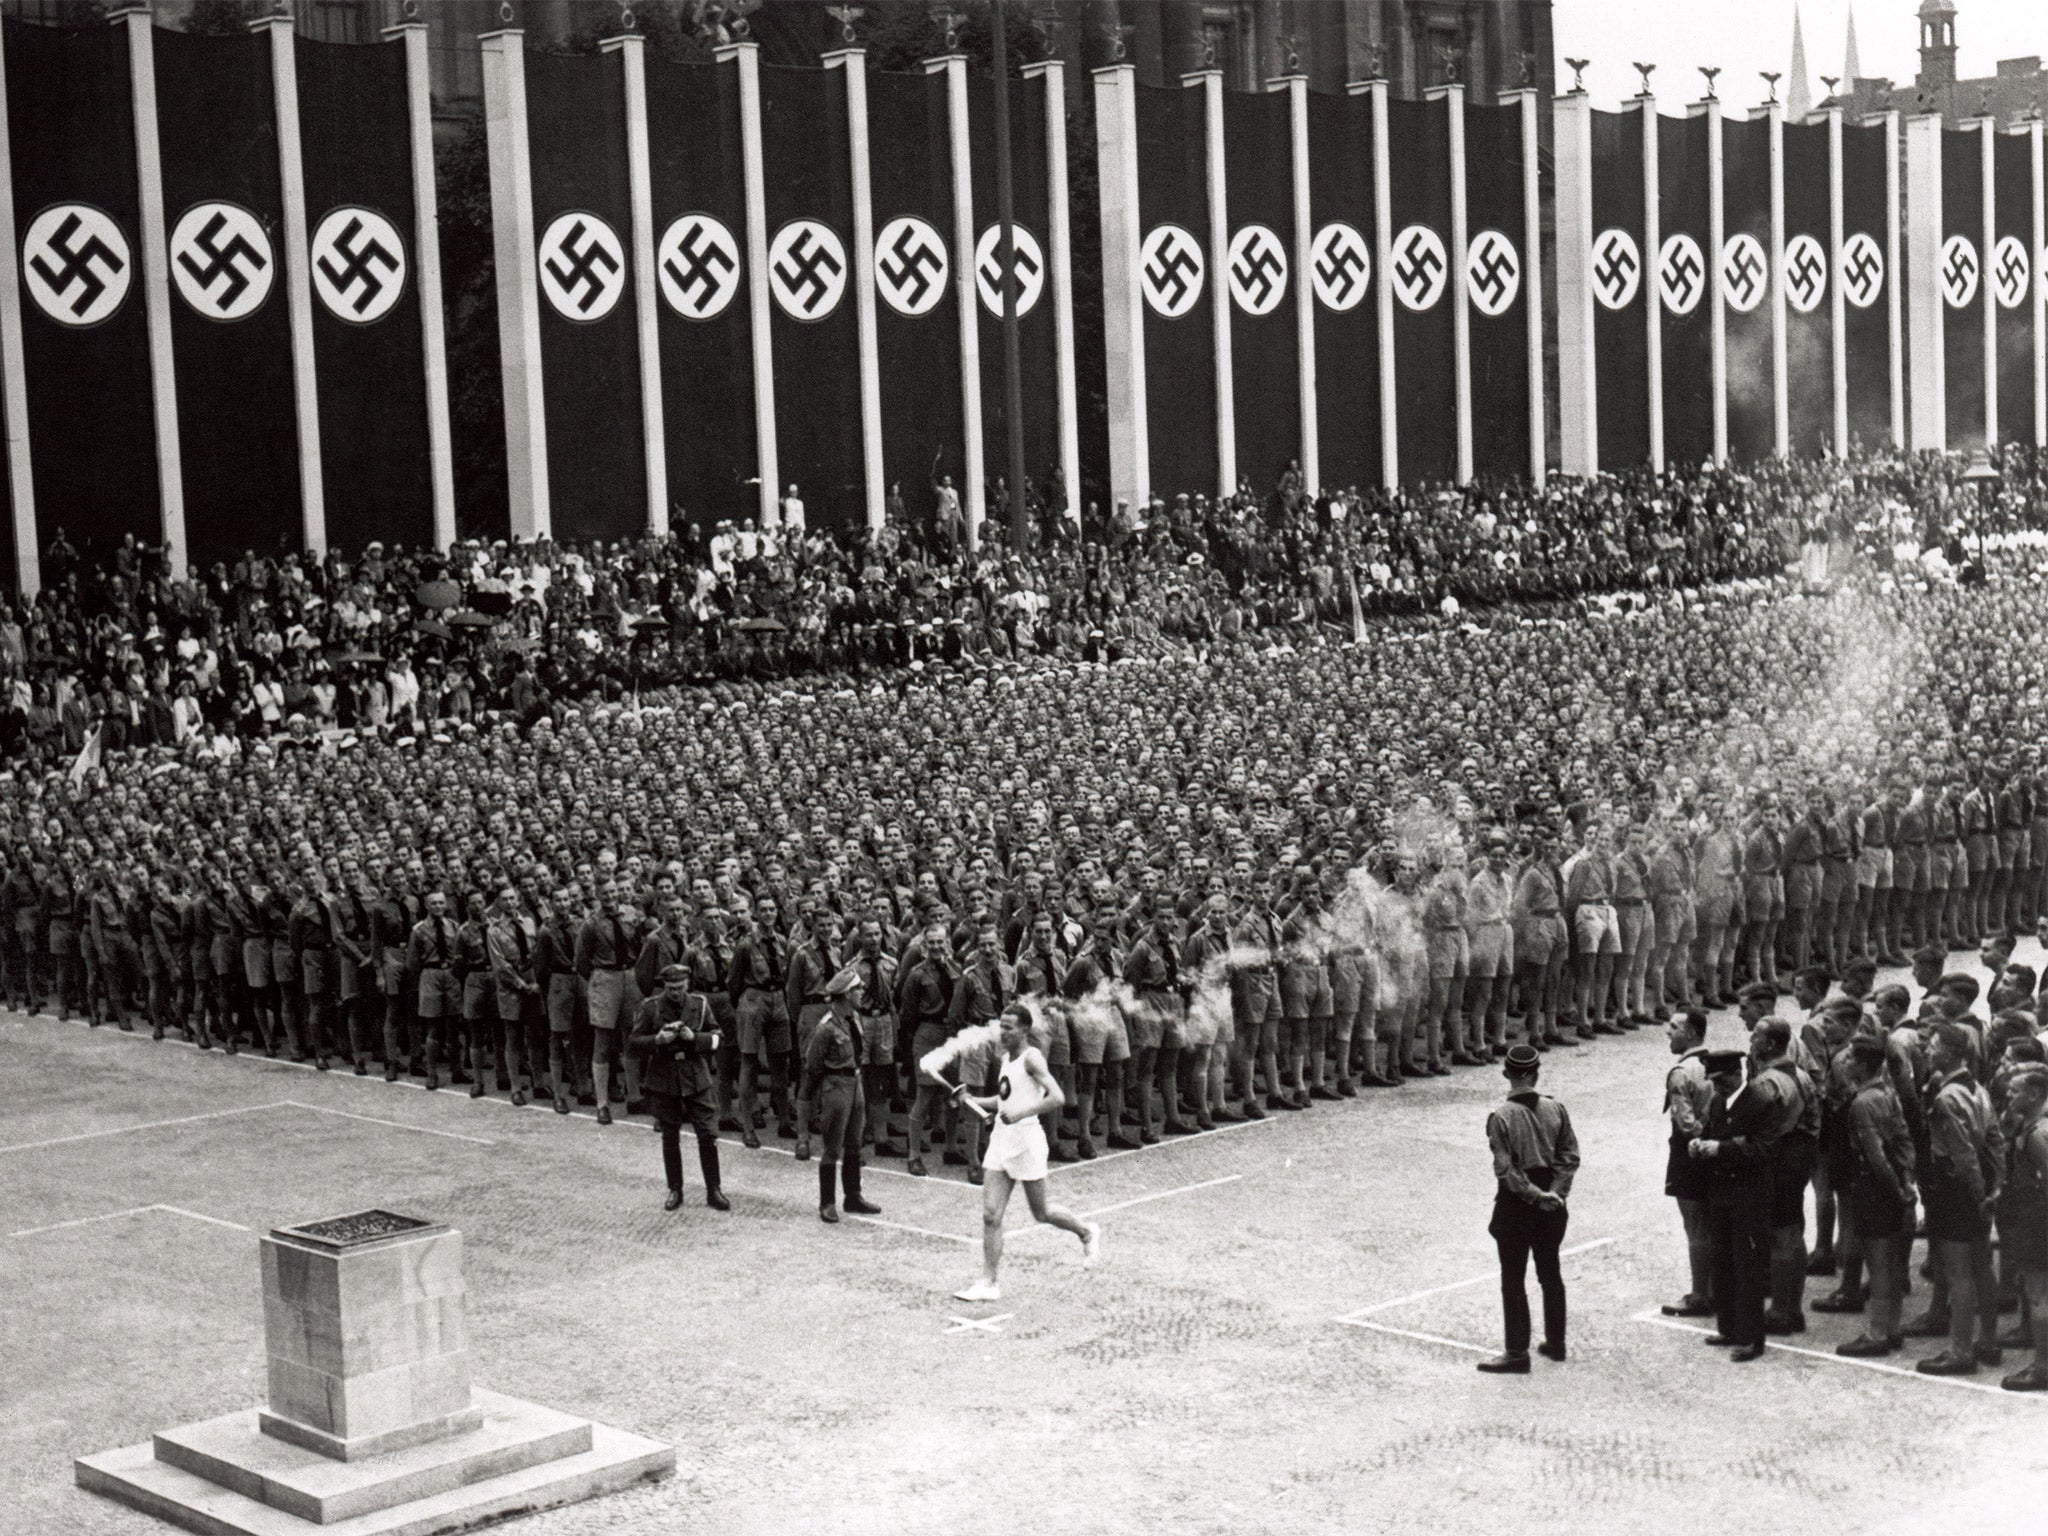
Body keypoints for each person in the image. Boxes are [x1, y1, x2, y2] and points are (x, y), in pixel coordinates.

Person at [947, 1003, 1099, 1303]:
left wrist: (1020, 1113)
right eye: (1001, 1026)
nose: (1002, 1031)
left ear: (1025, 1030)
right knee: (991, 1215)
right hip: (1002, 1140)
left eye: (1009, 1027)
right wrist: (972, 1099)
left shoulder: (1033, 1059)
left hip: (1027, 1139)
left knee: (1041, 1212)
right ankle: (989, 1282)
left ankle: (1086, 1232)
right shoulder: (1006, 1059)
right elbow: (1003, 1099)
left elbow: (1057, 1097)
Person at [1477, 1042, 1580, 1374]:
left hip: (1517, 1205)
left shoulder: (1500, 1117)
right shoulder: (1557, 1108)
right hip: (1552, 1201)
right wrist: (1555, 1193)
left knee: (1513, 1276)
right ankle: (1556, 1342)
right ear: (1536, 1074)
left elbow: (1506, 1171)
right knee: (1550, 1273)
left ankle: (1517, 1351)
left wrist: (1535, 1195)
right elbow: (1569, 1155)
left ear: (1507, 1074)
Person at [1833, 1035, 1917, 1358]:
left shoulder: (1862, 1102)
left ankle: (1878, 1332)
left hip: (1874, 1187)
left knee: (1879, 1263)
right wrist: (1907, 1181)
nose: (1846, 1062)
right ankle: (1892, 1327)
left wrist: (1895, 1188)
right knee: (1893, 1262)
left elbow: (1875, 1155)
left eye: (1851, 1058)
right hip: (1895, 1183)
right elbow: (1904, 1140)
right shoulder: (1889, 1093)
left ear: (1864, 1065)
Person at [1691, 1047, 1774, 1362]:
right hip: (1722, 1194)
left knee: (1747, 1267)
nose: (1717, 1087)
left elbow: (1765, 1150)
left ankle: (1752, 1338)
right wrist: (1699, 1143)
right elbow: (1711, 1132)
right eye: (1714, 1081)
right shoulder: (1717, 1101)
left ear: (1737, 1075)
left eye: (1722, 1080)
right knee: (1722, 1262)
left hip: (1749, 1197)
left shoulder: (1760, 1101)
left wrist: (1721, 1149)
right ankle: (1728, 1327)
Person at [628, 964, 730, 1213]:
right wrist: (657, 1041)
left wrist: (695, 1038)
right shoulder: (650, 1007)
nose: (675, 993)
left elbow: (718, 1037)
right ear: (664, 986)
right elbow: (633, 1043)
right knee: (670, 1135)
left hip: (696, 1076)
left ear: (687, 985)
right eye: (671, 988)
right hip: (664, 1079)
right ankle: (675, 1189)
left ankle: (713, 1190)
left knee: (707, 1134)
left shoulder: (700, 1004)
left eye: (680, 988)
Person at [798, 965, 883, 1223]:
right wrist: (807, 1109)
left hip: (855, 1083)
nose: (862, 991)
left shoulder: (853, 1018)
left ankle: (853, 1196)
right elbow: (812, 1068)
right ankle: (827, 1203)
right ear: (846, 994)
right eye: (857, 988)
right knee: (833, 1148)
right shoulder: (826, 1028)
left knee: (855, 1144)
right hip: (835, 1087)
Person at [1661, 1008, 1716, 1318]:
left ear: (1692, 1033)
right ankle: (1715, 1287)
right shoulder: (1715, 1063)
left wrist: (1699, 1141)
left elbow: (1686, 1122)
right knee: (1711, 1224)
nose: (1668, 1032)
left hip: (1690, 1154)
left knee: (1695, 1227)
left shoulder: (1682, 1072)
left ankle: (1700, 1295)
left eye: (1675, 1026)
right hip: (1716, 1149)